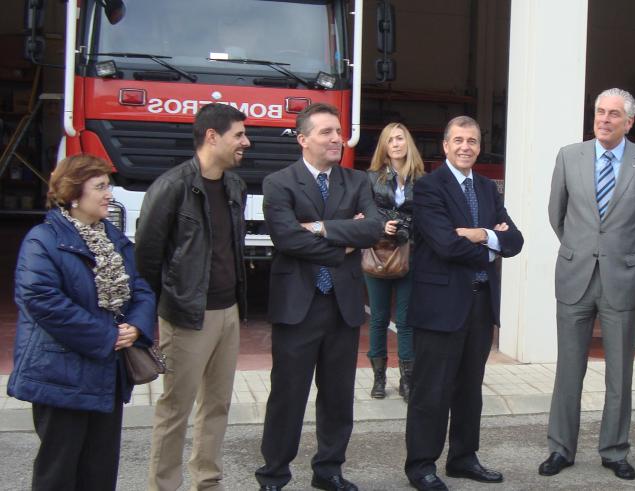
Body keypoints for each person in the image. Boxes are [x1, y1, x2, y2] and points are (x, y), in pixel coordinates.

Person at [255, 103, 386, 491]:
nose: (336, 138)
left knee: (337, 397)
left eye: (338, 131)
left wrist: (320, 227)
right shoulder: (278, 182)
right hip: (298, 306)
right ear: (303, 139)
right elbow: (287, 238)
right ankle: (274, 473)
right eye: (327, 132)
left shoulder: (357, 180)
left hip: (342, 307)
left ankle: (329, 469)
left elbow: (375, 228)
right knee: (288, 396)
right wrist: (344, 240)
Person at [541, 88, 635, 481]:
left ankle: (614, 450)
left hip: (623, 278)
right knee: (568, 369)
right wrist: (584, 249)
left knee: (620, 372)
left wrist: (621, 252)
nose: (604, 119)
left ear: (629, 122)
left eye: (614, 114)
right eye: (600, 112)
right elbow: (556, 215)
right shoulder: (569, 156)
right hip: (575, 275)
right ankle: (561, 448)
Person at [8, 154, 156, 490]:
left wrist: (137, 326)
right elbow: (41, 300)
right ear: (74, 193)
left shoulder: (113, 237)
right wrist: (108, 335)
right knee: (58, 472)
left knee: (99, 470)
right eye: (101, 186)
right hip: (60, 375)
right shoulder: (42, 240)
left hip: (106, 373)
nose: (109, 194)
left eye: (109, 186)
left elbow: (142, 289)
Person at [403, 116, 524, 491]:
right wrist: (492, 243)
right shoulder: (428, 188)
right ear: (444, 145)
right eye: (458, 140)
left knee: (470, 388)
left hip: (479, 304)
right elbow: (444, 244)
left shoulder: (488, 188)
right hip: (440, 305)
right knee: (431, 391)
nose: (466, 147)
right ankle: (421, 465)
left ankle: (463, 458)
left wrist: (478, 234)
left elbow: (516, 240)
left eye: (472, 140)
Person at [137, 102, 250, 491]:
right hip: (185, 316)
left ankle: (208, 480)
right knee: (175, 409)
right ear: (212, 136)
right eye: (238, 134)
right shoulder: (171, 187)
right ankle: (164, 485)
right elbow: (147, 259)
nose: (246, 142)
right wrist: (147, 321)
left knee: (217, 405)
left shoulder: (235, 186)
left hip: (228, 313)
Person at [364, 122, 425, 401]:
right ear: (384, 146)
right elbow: (363, 213)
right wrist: (381, 225)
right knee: (377, 319)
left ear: (408, 142)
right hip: (379, 252)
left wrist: (405, 226)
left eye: (401, 138)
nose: (396, 144)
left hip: (409, 255)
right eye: (391, 140)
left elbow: (426, 216)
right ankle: (379, 379)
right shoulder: (371, 178)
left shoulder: (421, 179)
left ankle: (407, 380)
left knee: (406, 321)